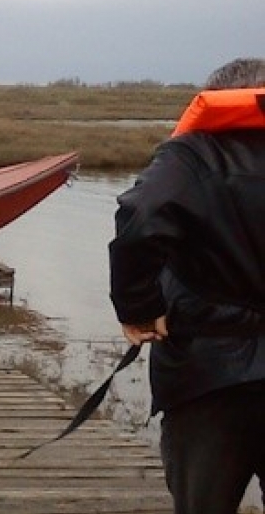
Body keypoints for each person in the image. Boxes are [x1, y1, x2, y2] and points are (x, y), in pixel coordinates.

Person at [109, 57, 265, 514]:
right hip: (207, 369)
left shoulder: (190, 156)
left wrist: (138, 307)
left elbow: (138, 220)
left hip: (206, 376)